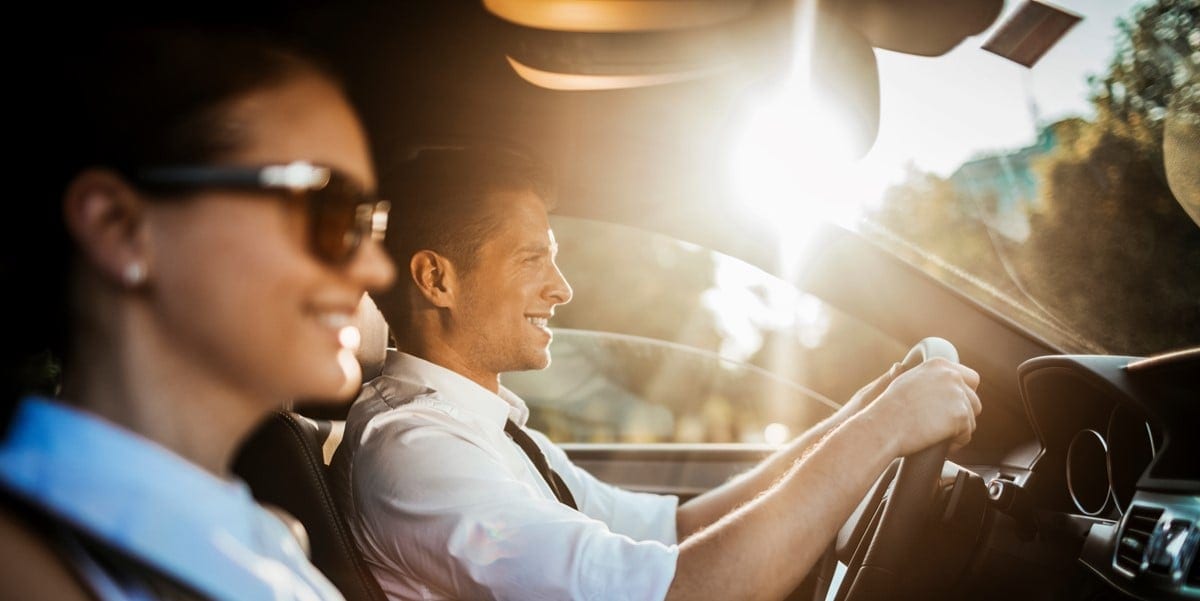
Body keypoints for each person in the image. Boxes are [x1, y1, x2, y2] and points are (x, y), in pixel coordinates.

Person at [331, 146, 981, 600]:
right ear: (436, 278)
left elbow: (680, 530)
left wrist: (861, 414)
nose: (561, 288)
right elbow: (677, 591)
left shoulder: (487, 431)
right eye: (532, 259)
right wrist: (885, 430)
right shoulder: (418, 454)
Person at [0, 26, 395, 600]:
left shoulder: (263, 536)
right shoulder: (26, 568)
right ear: (119, 227)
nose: (376, 268)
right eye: (328, 207)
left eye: (370, 221)